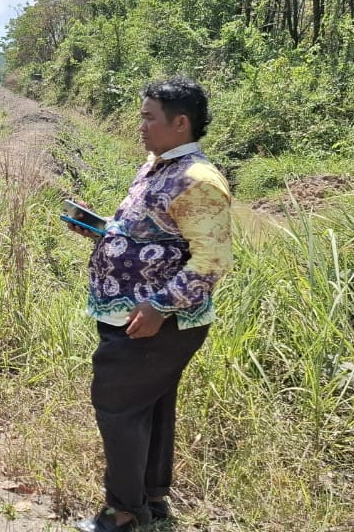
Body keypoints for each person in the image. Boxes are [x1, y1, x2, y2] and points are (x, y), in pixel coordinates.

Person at [69, 77, 232, 532]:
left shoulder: (198, 180)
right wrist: (104, 232)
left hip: (155, 321)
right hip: (135, 315)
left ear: (180, 124)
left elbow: (213, 259)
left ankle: (123, 511)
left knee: (117, 406)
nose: (139, 125)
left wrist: (161, 306)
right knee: (151, 406)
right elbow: (153, 232)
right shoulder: (158, 165)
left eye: (148, 117)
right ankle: (151, 498)